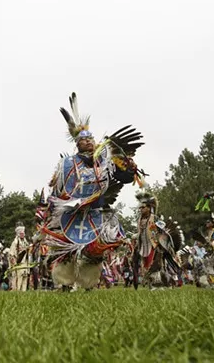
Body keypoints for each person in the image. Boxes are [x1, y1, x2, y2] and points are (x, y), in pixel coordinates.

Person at [40, 93, 145, 291]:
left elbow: (121, 177)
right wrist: (52, 208)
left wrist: (129, 170)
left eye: (91, 139)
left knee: (96, 248)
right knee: (65, 250)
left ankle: (88, 282)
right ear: (77, 144)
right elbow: (57, 190)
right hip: (71, 211)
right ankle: (64, 283)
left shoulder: (105, 161)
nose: (88, 142)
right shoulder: (67, 164)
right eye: (83, 140)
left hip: (96, 209)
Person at [132, 191, 184, 289]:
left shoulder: (155, 218)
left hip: (154, 246)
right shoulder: (139, 220)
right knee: (146, 266)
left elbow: (162, 231)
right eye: (140, 208)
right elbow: (140, 233)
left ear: (149, 208)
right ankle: (157, 284)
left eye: (143, 207)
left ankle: (158, 285)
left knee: (156, 265)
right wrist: (136, 238)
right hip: (143, 246)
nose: (141, 210)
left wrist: (162, 243)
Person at [8, 223, 30, 291]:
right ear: (18, 234)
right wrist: (13, 264)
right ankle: (17, 292)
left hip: (25, 263)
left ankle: (24, 292)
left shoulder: (26, 243)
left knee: (25, 278)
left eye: (23, 233)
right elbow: (11, 254)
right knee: (18, 279)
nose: (23, 234)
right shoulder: (15, 243)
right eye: (21, 233)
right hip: (18, 264)